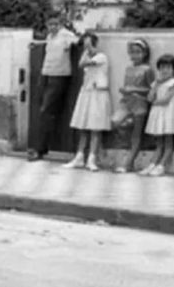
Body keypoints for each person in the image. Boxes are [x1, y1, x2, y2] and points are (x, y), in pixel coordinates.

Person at [28, 15, 79, 161]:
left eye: (55, 24)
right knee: (42, 109)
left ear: (60, 24)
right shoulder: (50, 37)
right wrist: (36, 44)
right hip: (46, 73)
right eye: (50, 24)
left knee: (46, 110)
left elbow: (77, 41)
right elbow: (45, 44)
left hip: (59, 75)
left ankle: (40, 148)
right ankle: (40, 146)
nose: (53, 27)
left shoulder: (66, 35)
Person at [63, 32, 112, 171]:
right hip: (87, 93)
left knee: (95, 128)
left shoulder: (101, 57)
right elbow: (82, 64)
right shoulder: (88, 57)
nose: (87, 47)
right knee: (83, 127)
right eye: (85, 44)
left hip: (98, 95)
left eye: (89, 44)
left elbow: (83, 63)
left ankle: (92, 159)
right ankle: (79, 157)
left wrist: (87, 50)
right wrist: (86, 50)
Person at [115, 39, 155, 173]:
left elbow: (152, 89)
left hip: (140, 103)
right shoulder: (129, 68)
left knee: (136, 135)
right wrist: (125, 90)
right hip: (127, 101)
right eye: (132, 52)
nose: (135, 55)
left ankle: (129, 163)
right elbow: (127, 85)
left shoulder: (147, 69)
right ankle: (128, 129)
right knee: (116, 121)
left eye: (138, 52)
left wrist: (134, 90)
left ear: (145, 53)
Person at [142, 54, 174, 176]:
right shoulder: (157, 82)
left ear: (173, 69)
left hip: (168, 115)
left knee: (168, 143)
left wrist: (154, 102)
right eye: (162, 67)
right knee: (159, 143)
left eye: (168, 67)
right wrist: (156, 84)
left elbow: (166, 99)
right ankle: (152, 164)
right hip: (158, 114)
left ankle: (161, 165)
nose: (165, 70)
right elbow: (149, 97)